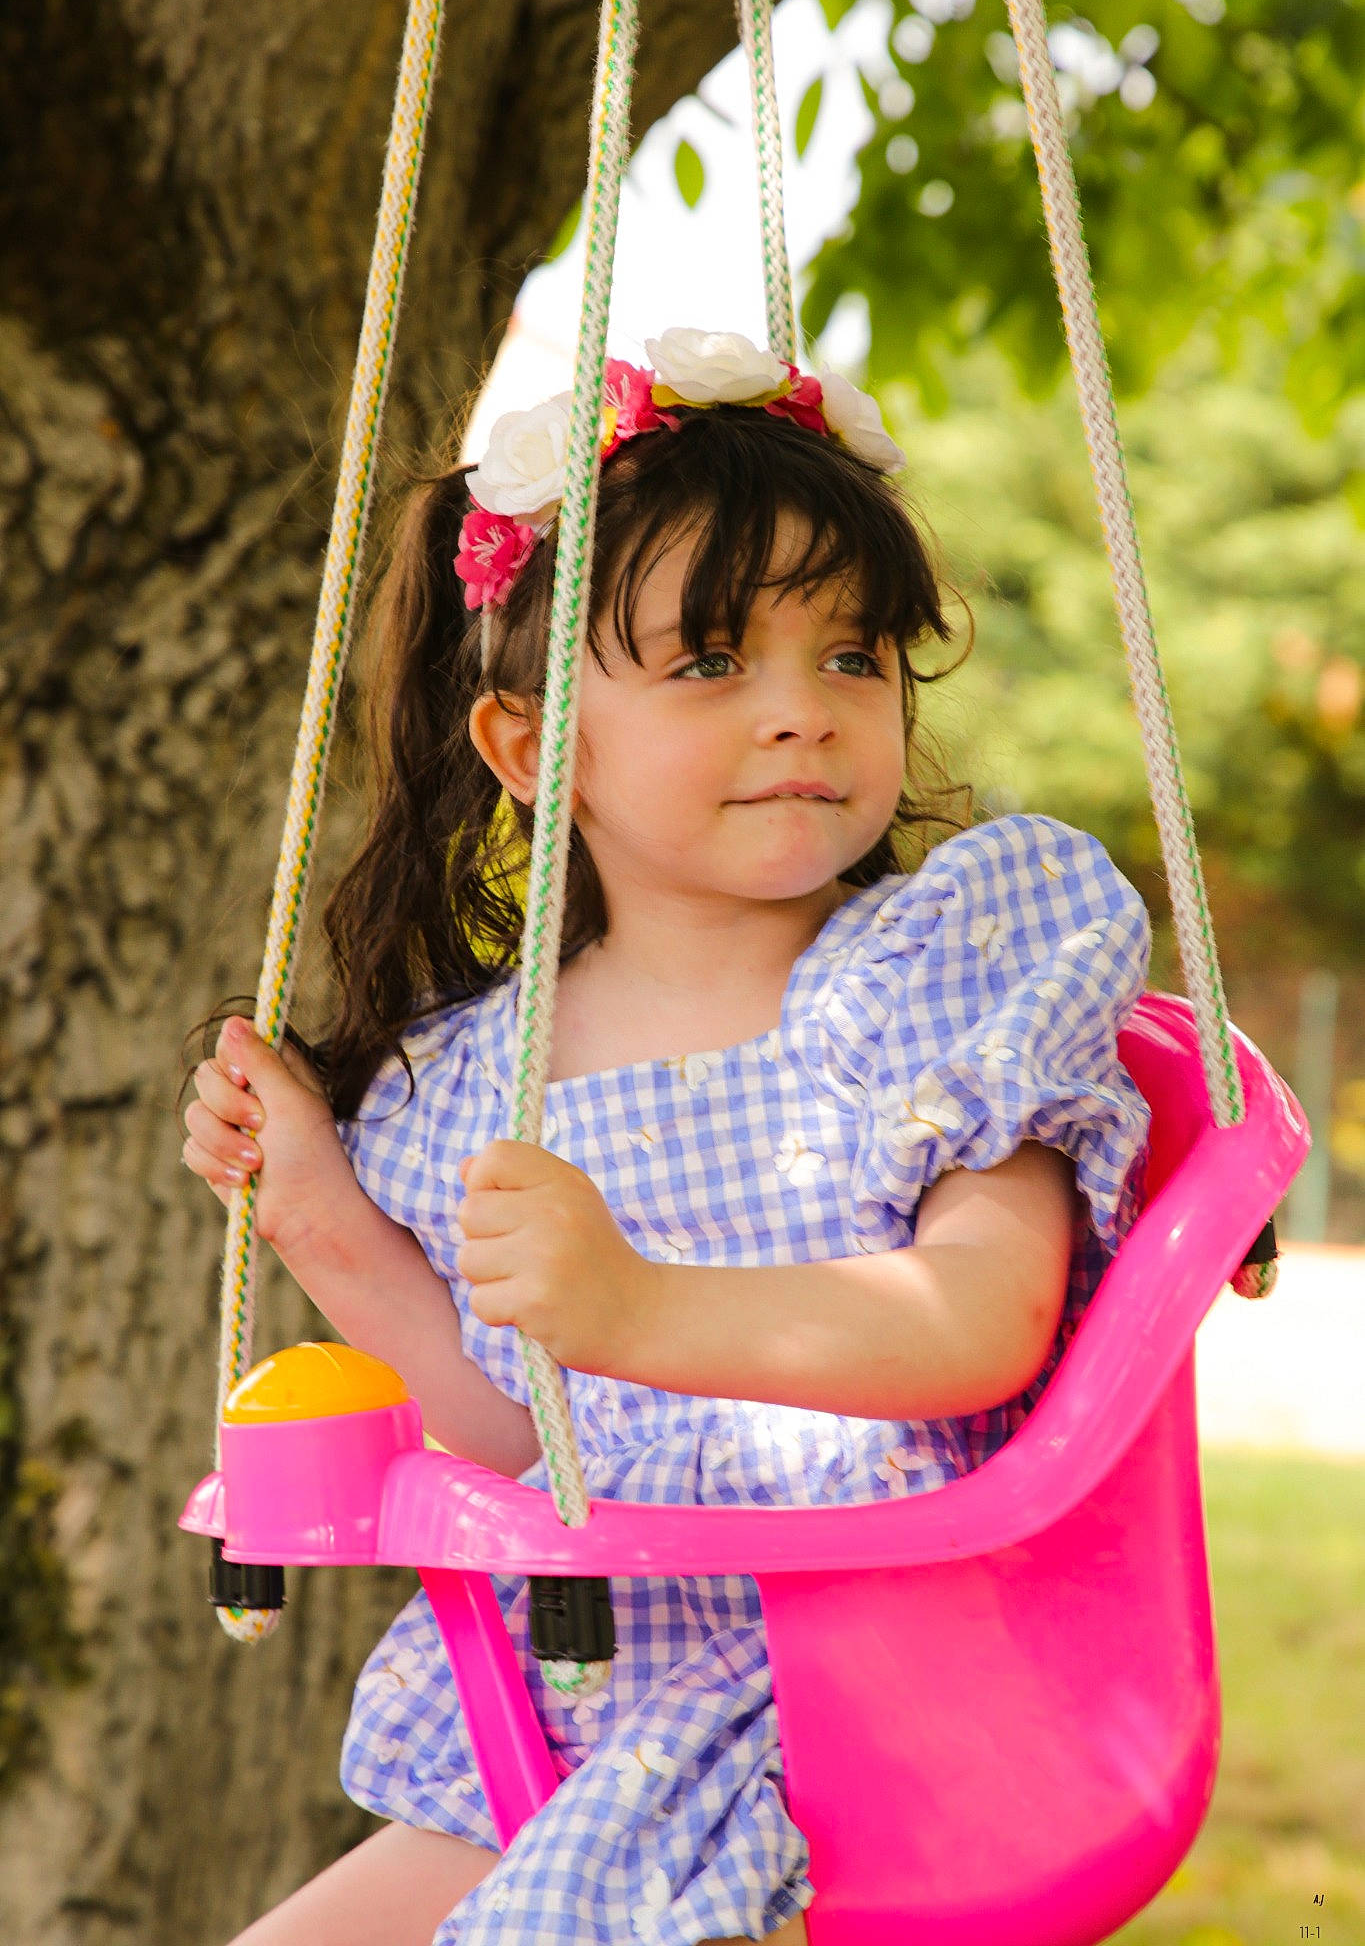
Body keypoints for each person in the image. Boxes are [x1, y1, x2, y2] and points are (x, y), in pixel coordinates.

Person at [181, 326, 1152, 1946]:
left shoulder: (939, 980)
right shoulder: (475, 1083)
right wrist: (324, 1226)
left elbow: (985, 1323)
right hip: (568, 1718)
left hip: (865, 1699)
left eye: (851, 655)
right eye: (712, 663)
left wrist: (639, 1307)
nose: (801, 715)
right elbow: (517, 1445)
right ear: (525, 746)